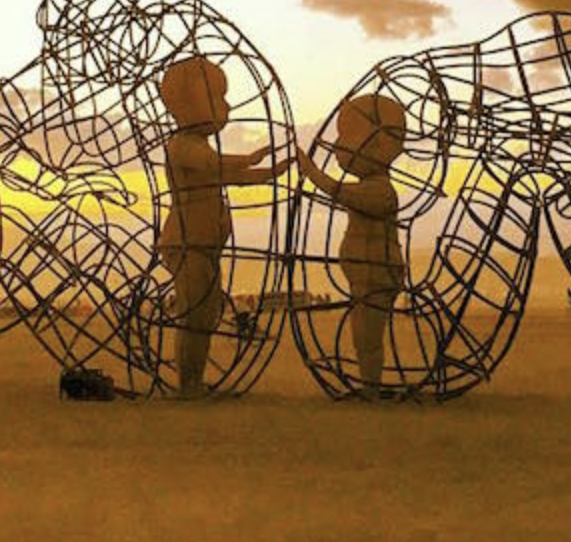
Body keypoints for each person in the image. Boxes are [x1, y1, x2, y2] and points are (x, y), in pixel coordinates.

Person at [157, 56, 280, 398]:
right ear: (183, 105)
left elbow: (231, 176)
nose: (226, 107)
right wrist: (253, 160)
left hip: (207, 245)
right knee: (194, 313)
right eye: (216, 98)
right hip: (187, 242)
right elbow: (214, 166)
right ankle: (188, 385)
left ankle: (194, 380)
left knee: (207, 314)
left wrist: (270, 173)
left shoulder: (201, 145)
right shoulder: (182, 146)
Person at [298, 94, 407, 401]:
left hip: (377, 274)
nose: (337, 146)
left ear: (380, 144)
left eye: (347, 136)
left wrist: (313, 175)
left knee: (368, 335)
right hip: (365, 274)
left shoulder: (382, 192)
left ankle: (371, 388)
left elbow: (342, 193)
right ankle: (369, 385)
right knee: (362, 334)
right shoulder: (370, 187)